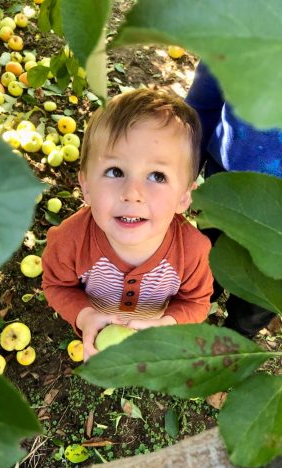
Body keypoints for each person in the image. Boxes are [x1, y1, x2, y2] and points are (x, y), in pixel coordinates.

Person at [42, 88, 213, 361]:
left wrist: (165, 326)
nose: (133, 192)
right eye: (115, 171)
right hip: (94, 323)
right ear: (85, 186)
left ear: (184, 197)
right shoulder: (69, 240)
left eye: (157, 176)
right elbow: (56, 286)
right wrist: (85, 317)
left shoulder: (193, 252)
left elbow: (196, 302)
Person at [185, 61, 282, 337]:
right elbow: (206, 95)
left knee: (262, 297)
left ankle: (236, 337)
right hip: (229, 183)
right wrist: (183, 167)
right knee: (209, 258)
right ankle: (196, 305)